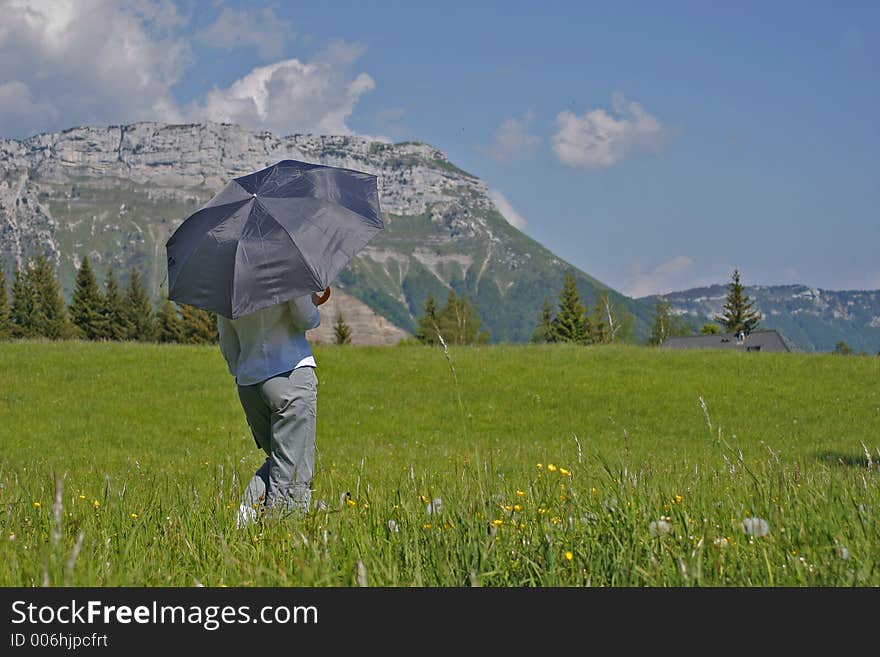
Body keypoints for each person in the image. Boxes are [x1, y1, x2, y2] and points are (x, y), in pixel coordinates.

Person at [217, 287, 331, 527]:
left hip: (250, 384)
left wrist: (244, 372)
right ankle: (282, 534)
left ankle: (245, 516)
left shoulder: (229, 283)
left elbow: (227, 341)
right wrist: (311, 301)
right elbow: (306, 319)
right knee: (294, 467)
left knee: (281, 459)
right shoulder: (286, 269)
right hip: (290, 373)